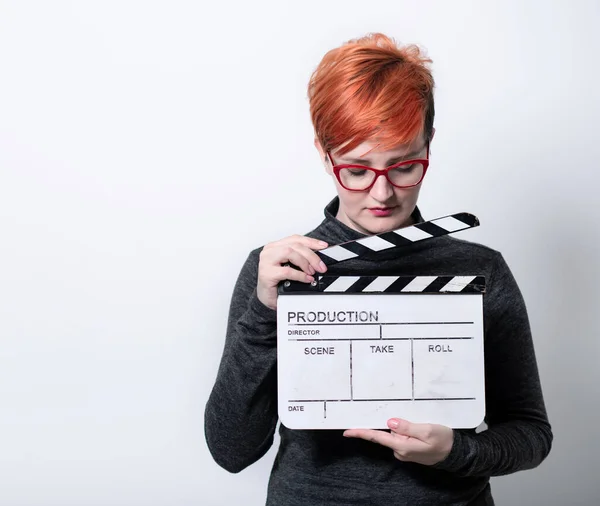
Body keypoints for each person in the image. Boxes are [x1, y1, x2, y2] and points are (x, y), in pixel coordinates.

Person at [204, 32, 552, 505]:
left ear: (429, 142)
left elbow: (530, 434)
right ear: (324, 155)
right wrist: (264, 315)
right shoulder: (277, 272)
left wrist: (458, 450)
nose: (382, 194)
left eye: (405, 166)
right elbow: (231, 449)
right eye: (357, 169)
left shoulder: (478, 270)